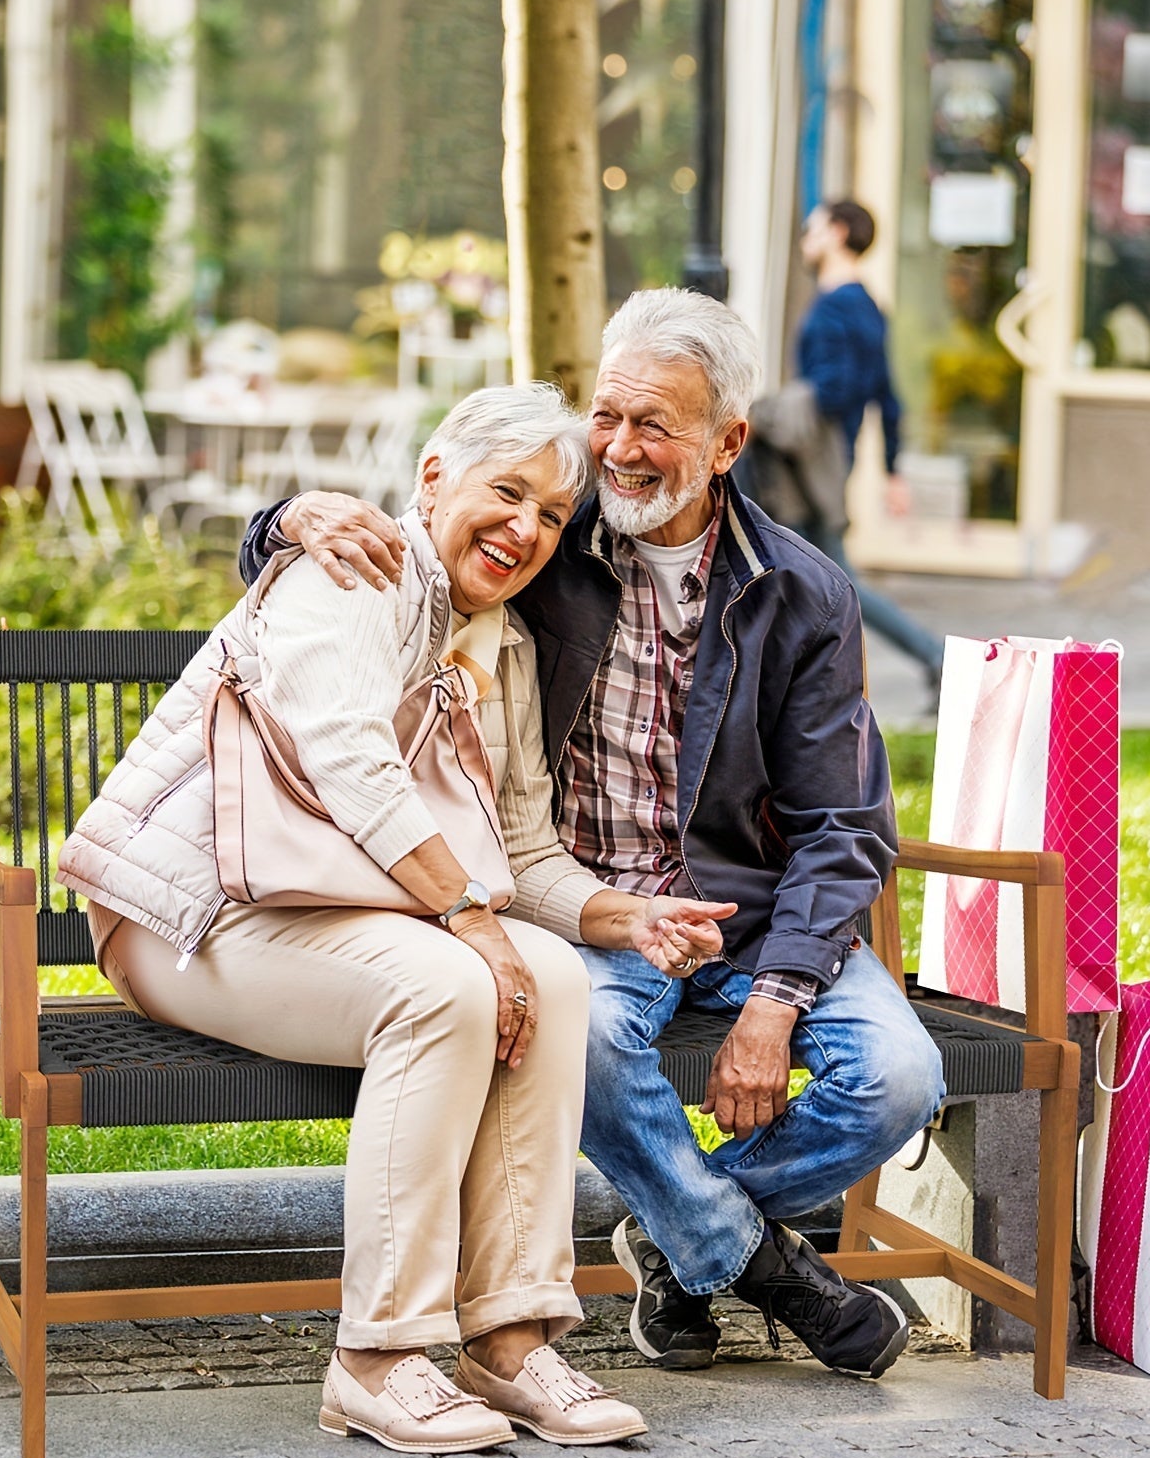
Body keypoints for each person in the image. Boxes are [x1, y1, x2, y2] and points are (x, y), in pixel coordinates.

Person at [245, 290, 946, 1386]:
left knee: (899, 1077)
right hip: (582, 914)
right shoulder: (547, 535)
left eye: (653, 424)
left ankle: (678, 1242)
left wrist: (776, 1001)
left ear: (726, 444)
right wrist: (283, 518)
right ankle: (763, 1266)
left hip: (748, 924)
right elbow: (410, 539)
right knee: (586, 1037)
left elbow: (844, 826)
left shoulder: (802, 594)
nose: (617, 448)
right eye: (604, 415)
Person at [59, 382, 735, 1455]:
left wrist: (621, 918)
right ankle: (375, 1359)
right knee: (445, 985)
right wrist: (471, 918)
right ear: (434, 479)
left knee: (553, 977)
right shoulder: (354, 571)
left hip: (339, 915)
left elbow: (521, 849)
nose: (525, 529)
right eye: (505, 492)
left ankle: (507, 1339)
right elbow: (349, 764)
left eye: (553, 515)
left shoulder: (501, 646)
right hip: (189, 914)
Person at [791, 198, 946, 691]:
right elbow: (888, 395)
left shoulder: (841, 303)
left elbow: (841, 388)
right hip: (831, 456)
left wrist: (787, 408)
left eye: (811, 227)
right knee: (812, 572)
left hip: (816, 460)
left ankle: (935, 656)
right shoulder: (861, 302)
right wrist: (892, 467)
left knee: (830, 577)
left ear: (837, 232)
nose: (804, 237)